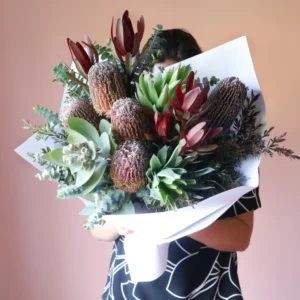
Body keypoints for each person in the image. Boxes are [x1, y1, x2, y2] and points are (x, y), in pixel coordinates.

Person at [92, 29, 261, 300]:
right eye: (156, 81)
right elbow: (96, 228)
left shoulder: (230, 142)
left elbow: (241, 236)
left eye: (176, 85)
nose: (166, 96)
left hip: (206, 290)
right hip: (130, 291)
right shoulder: (118, 138)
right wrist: (120, 224)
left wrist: (180, 220)